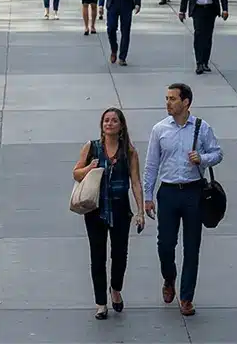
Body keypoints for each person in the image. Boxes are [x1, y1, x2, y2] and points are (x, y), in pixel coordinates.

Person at [143, 82, 223, 317]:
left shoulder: (201, 127)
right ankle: (169, 278)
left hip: (193, 191)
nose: (168, 103)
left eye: (172, 99)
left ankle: (186, 297)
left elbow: (217, 153)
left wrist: (203, 158)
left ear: (186, 102)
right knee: (165, 244)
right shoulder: (159, 129)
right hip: (168, 192)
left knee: (192, 246)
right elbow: (151, 166)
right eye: (167, 98)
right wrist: (148, 197)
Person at [73, 107, 145, 319]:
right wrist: (90, 168)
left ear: (121, 125)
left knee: (120, 254)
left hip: (120, 208)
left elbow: (136, 182)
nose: (109, 124)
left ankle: (115, 289)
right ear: (101, 125)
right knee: (97, 256)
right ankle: (101, 303)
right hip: (95, 209)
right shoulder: (92, 147)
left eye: (114, 120)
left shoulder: (129, 152)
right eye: (106, 120)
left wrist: (140, 210)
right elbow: (76, 173)